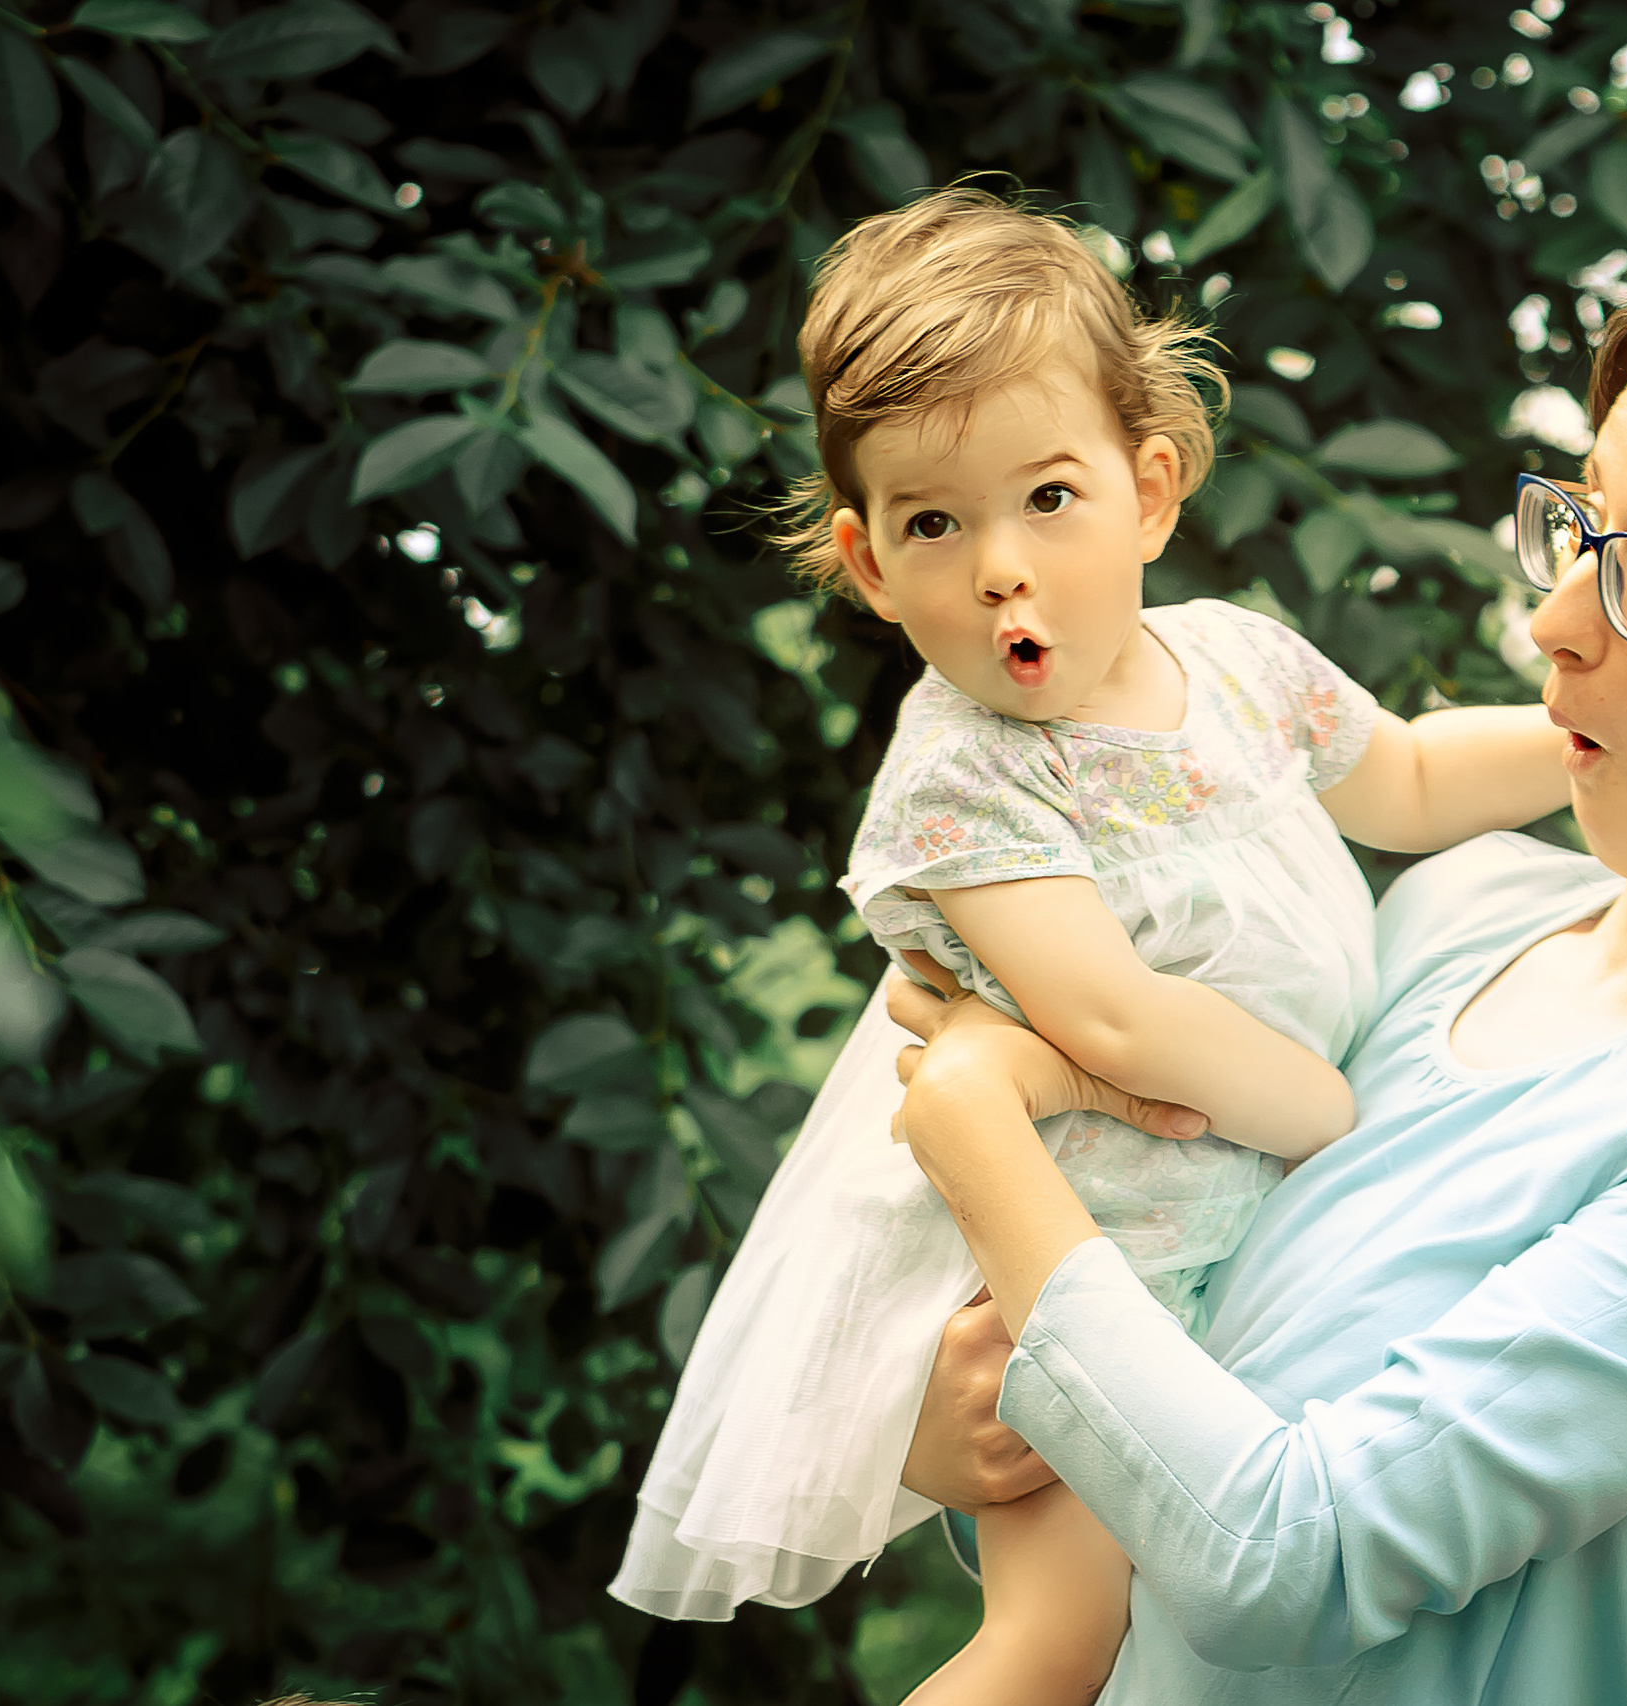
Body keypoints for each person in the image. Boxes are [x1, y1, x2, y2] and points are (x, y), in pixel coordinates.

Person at [884, 243, 1627, 1703]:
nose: (1555, 618)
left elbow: (1290, 1560)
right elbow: (1164, 1336)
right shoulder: (1458, 906)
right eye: (1580, 526)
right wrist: (963, 1419)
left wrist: (973, 1123)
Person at [609, 189, 1572, 1705]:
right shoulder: (963, 775)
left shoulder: (1240, 663)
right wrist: (1331, 1111)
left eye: (1047, 497)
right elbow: (1111, 1018)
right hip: (1071, 1272)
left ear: (1153, 487)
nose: (1001, 565)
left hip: (1237, 1230)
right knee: (1057, 1647)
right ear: (869, 567)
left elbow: (1412, 777)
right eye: (936, 523)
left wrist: (1582, 739)